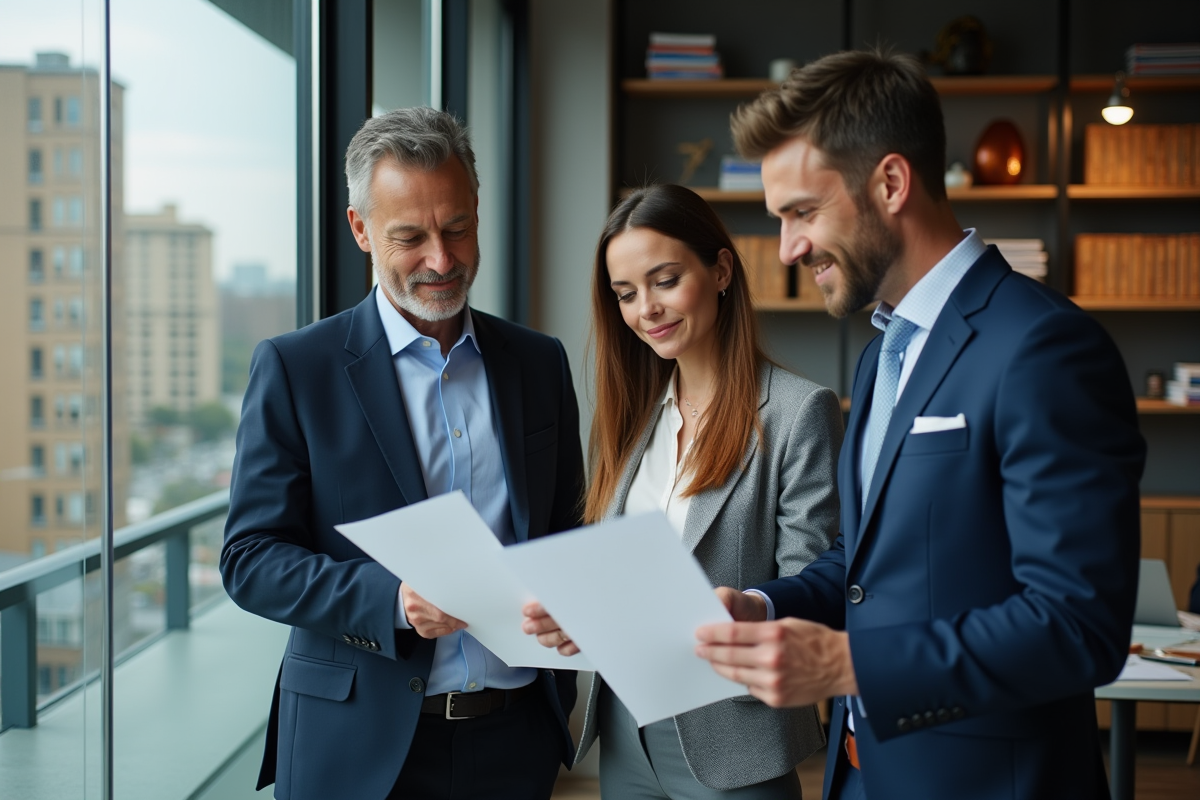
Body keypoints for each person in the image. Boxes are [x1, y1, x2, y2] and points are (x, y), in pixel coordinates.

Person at [693, 50, 1147, 800]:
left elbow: (1076, 626)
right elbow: (865, 567)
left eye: (802, 212)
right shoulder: (880, 360)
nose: (787, 249)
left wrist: (846, 666)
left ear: (892, 183)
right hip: (860, 777)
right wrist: (765, 604)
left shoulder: (1044, 348)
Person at [220, 107, 584, 800]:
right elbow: (249, 560)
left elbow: (567, 529)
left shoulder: (539, 363)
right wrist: (392, 600)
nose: (441, 261)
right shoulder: (298, 368)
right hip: (355, 748)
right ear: (361, 229)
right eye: (410, 237)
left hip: (516, 742)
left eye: (457, 229)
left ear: (478, 211)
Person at [523, 184, 843, 799]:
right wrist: (579, 613)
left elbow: (813, 587)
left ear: (721, 269)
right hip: (627, 726)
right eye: (626, 294)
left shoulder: (798, 413)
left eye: (665, 280)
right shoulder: (633, 418)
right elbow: (615, 572)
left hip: (735, 736)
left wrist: (741, 605)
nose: (647, 309)